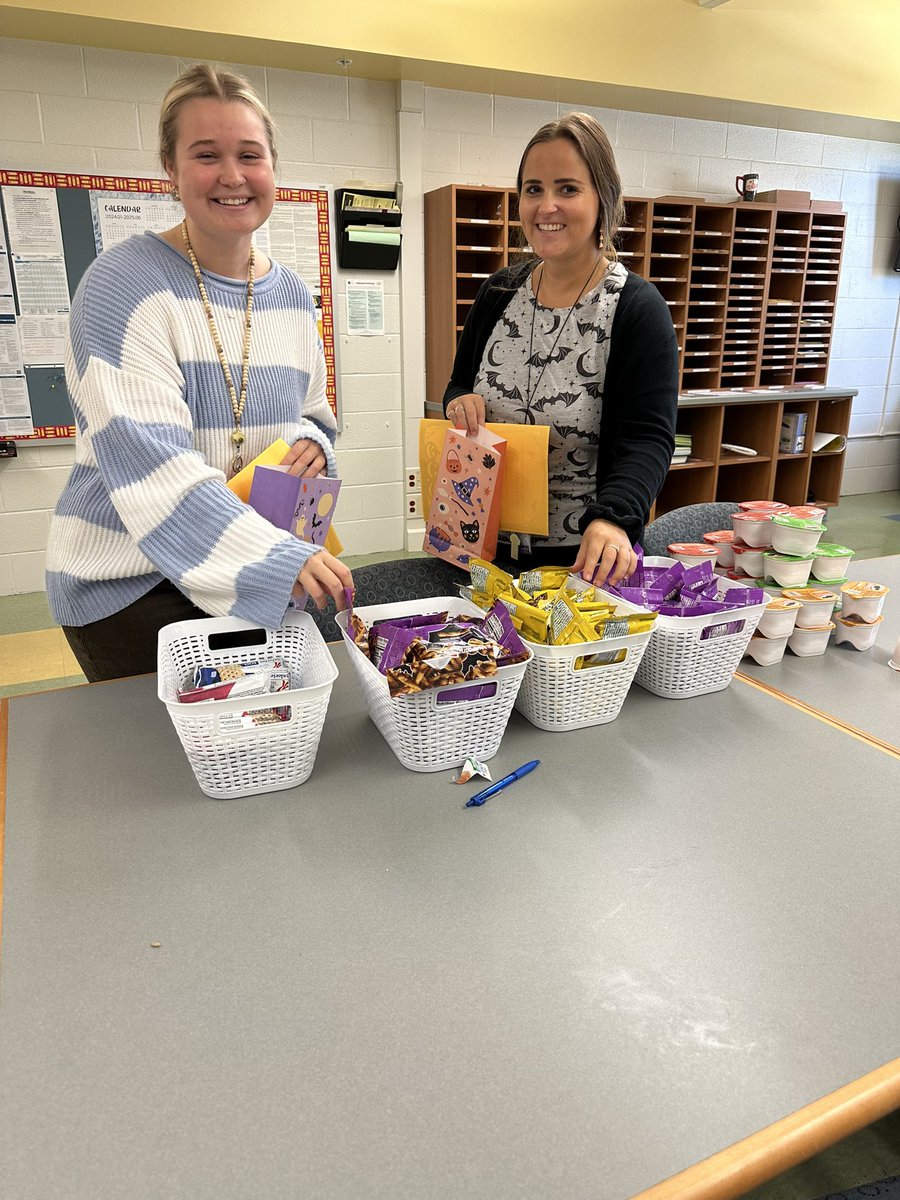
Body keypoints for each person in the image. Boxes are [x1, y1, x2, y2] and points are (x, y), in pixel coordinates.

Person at [45, 64, 353, 682]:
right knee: (179, 760)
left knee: (268, 738)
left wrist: (314, 444)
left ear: (273, 167)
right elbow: (153, 464)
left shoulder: (291, 293)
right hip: (131, 581)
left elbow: (315, 414)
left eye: (250, 155)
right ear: (171, 168)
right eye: (207, 155)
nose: (233, 176)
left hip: (243, 553)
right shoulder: (122, 285)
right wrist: (273, 558)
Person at [443, 112, 678, 587]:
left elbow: (647, 440)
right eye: (533, 189)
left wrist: (614, 517)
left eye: (567, 188)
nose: (546, 206)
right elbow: (460, 383)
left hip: (579, 561)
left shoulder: (634, 308)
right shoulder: (498, 294)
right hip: (480, 547)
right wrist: (458, 400)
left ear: (603, 198)